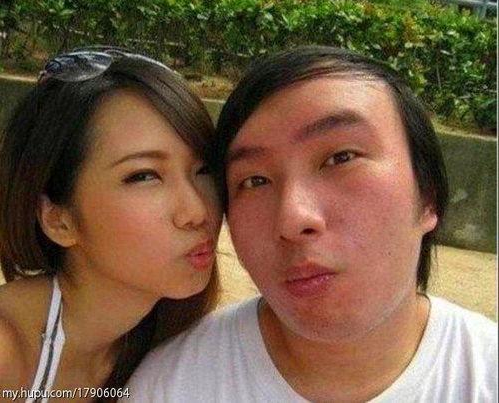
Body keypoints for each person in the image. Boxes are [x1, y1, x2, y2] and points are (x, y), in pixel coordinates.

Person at [125, 46, 497, 402]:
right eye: (255, 180)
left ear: (427, 195)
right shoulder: (168, 386)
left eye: (341, 157)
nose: (293, 218)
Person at [0, 47, 221, 401]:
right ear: (58, 219)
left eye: (204, 169)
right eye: (143, 176)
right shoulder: (7, 353)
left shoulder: (178, 342)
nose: (197, 211)